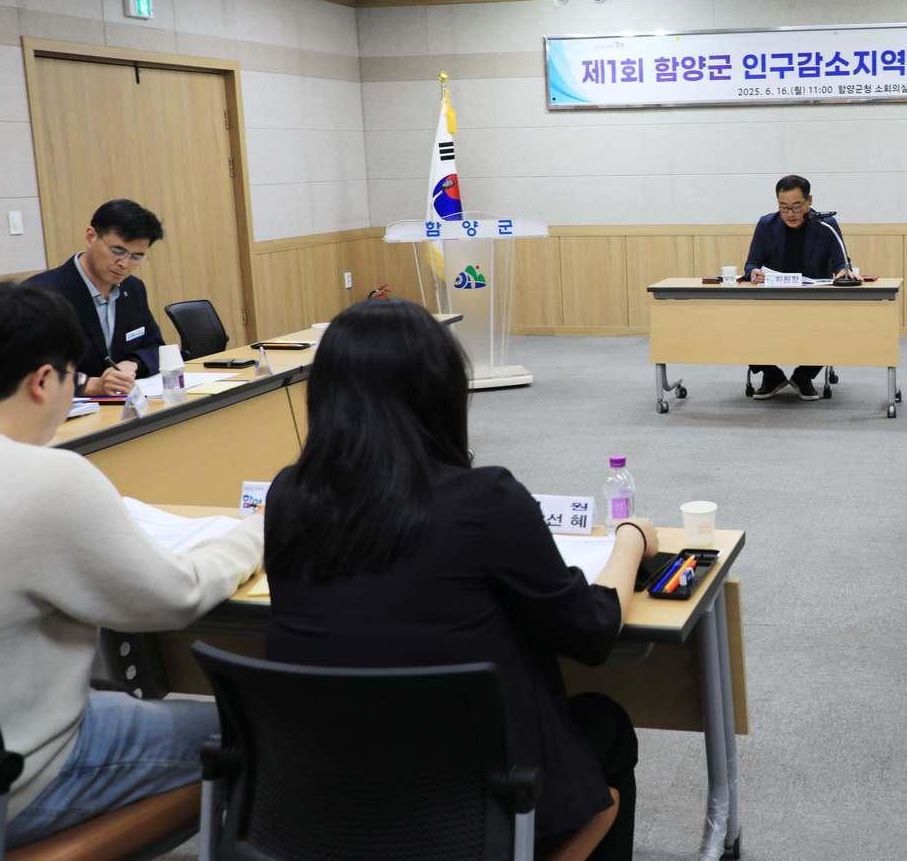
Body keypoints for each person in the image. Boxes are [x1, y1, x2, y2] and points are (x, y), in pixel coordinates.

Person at [264, 299, 657, 860]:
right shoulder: (485, 500)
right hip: (471, 806)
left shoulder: (288, 496)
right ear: (441, 394)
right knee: (603, 726)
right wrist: (631, 539)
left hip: (324, 795)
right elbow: (591, 631)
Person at [0, 282, 263, 847]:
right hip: (23, 773)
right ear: (43, 381)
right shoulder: (49, 479)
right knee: (261, 728)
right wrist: (258, 531)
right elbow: (176, 596)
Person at [25, 199, 166, 397]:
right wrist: (91, 385)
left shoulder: (133, 288)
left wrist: (132, 363)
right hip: (63, 409)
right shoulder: (40, 294)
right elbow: (24, 369)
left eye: (136, 256)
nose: (124, 264)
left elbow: (156, 347)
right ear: (91, 237)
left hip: (122, 405)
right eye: (118, 251)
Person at [743, 174, 852, 400]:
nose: (790, 214)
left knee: (833, 324)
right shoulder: (766, 224)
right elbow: (752, 263)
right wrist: (753, 272)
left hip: (815, 300)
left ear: (809, 201)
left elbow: (841, 262)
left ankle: (804, 376)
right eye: (783, 207)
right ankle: (771, 375)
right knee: (743, 321)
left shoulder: (826, 225)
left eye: (796, 206)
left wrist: (843, 270)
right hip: (774, 299)